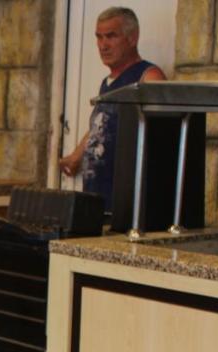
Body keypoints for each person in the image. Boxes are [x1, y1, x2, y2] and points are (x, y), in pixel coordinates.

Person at [59, 7, 166, 211]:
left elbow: (161, 141)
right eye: (99, 37)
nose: (103, 45)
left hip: (127, 203)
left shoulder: (148, 77)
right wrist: (76, 156)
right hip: (97, 199)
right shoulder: (106, 83)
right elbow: (102, 124)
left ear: (132, 38)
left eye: (111, 36)